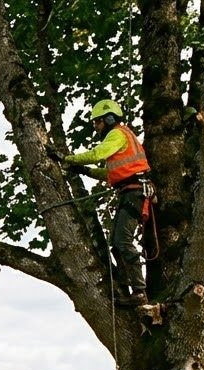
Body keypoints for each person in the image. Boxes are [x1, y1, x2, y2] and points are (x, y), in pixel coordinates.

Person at [49, 99, 152, 305]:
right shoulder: (123, 139)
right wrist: (85, 171)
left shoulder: (118, 134)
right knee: (116, 244)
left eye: (97, 122)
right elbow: (112, 174)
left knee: (122, 241)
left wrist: (66, 158)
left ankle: (139, 292)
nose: (96, 127)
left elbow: (97, 154)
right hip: (130, 191)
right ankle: (125, 286)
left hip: (135, 192)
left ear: (109, 118)